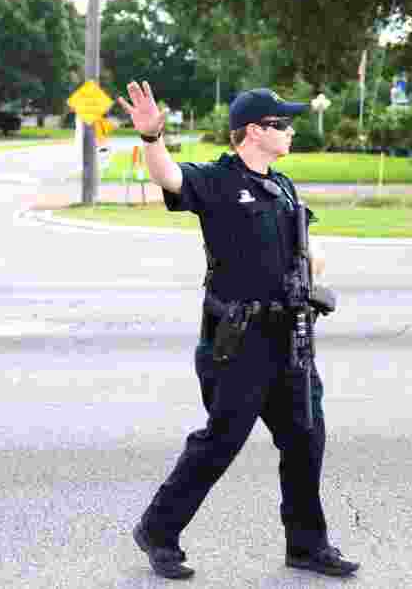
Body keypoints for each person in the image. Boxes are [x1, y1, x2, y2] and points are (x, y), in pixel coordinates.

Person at [117, 81, 361, 580]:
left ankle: (307, 545)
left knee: (305, 440)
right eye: (282, 125)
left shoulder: (284, 185)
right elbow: (168, 177)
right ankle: (158, 531)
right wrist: (151, 137)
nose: (291, 131)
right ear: (254, 131)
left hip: (289, 338)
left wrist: (312, 271)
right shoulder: (220, 181)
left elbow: (303, 246)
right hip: (239, 342)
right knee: (220, 442)